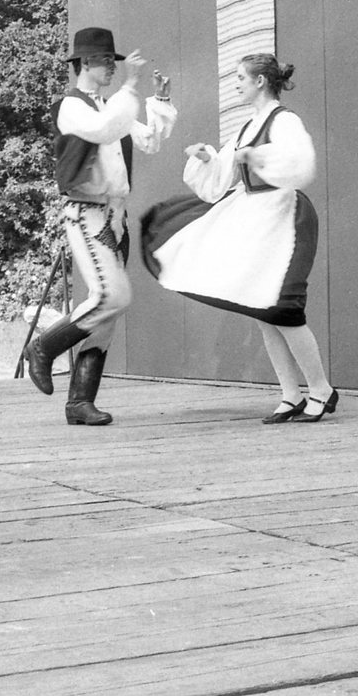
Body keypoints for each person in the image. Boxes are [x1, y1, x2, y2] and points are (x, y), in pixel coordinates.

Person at [140, 53, 336, 423]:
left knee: (284, 309)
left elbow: (301, 162)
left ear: (261, 81)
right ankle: (291, 394)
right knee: (261, 308)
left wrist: (257, 156)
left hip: (285, 216)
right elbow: (220, 177)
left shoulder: (284, 120)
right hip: (256, 218)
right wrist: (206, 158)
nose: (236, 85)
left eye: (241, 78)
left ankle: (322, 390)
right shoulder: (248, 126)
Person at [23, 27, 175, 425]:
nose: (112, 67)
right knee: (112, 296)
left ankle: (79, 402)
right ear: (84, 63)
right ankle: (43, 347)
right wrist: (131, 86)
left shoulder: (110, 106)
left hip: (114, 215)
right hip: (86, 211)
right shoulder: (70, 107)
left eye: (113, 61)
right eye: (106, 60)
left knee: (107, 311)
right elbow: (104, 128)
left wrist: (159, 101)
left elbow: (148, 141)